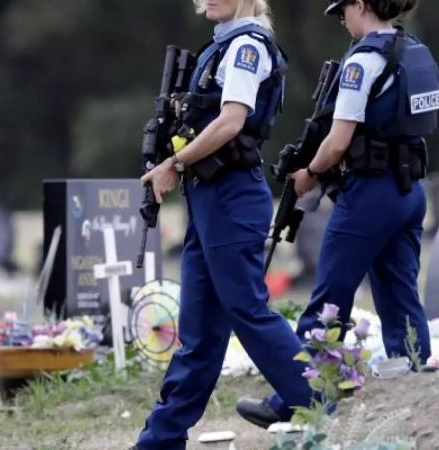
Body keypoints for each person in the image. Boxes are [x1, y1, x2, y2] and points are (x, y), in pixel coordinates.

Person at [236, 0, 439, 428]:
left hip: (369, 195)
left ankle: (295, 398)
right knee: (400, 292)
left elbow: (337, 141)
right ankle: (418, 387)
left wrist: (310, 173)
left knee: (328, 300)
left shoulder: (363, 61)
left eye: (343, 11)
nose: (342, 21)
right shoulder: (414, 49)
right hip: (410, 190)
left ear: (360, 5)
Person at [132, 1, 311, 448]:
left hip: (231, 196)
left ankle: (315, 396)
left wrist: (174, 162)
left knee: (246, 309)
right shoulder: (221, 46)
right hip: (208, 198)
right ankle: (159, 440)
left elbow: (231, 122)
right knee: (198, 334)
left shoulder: (246, 46)